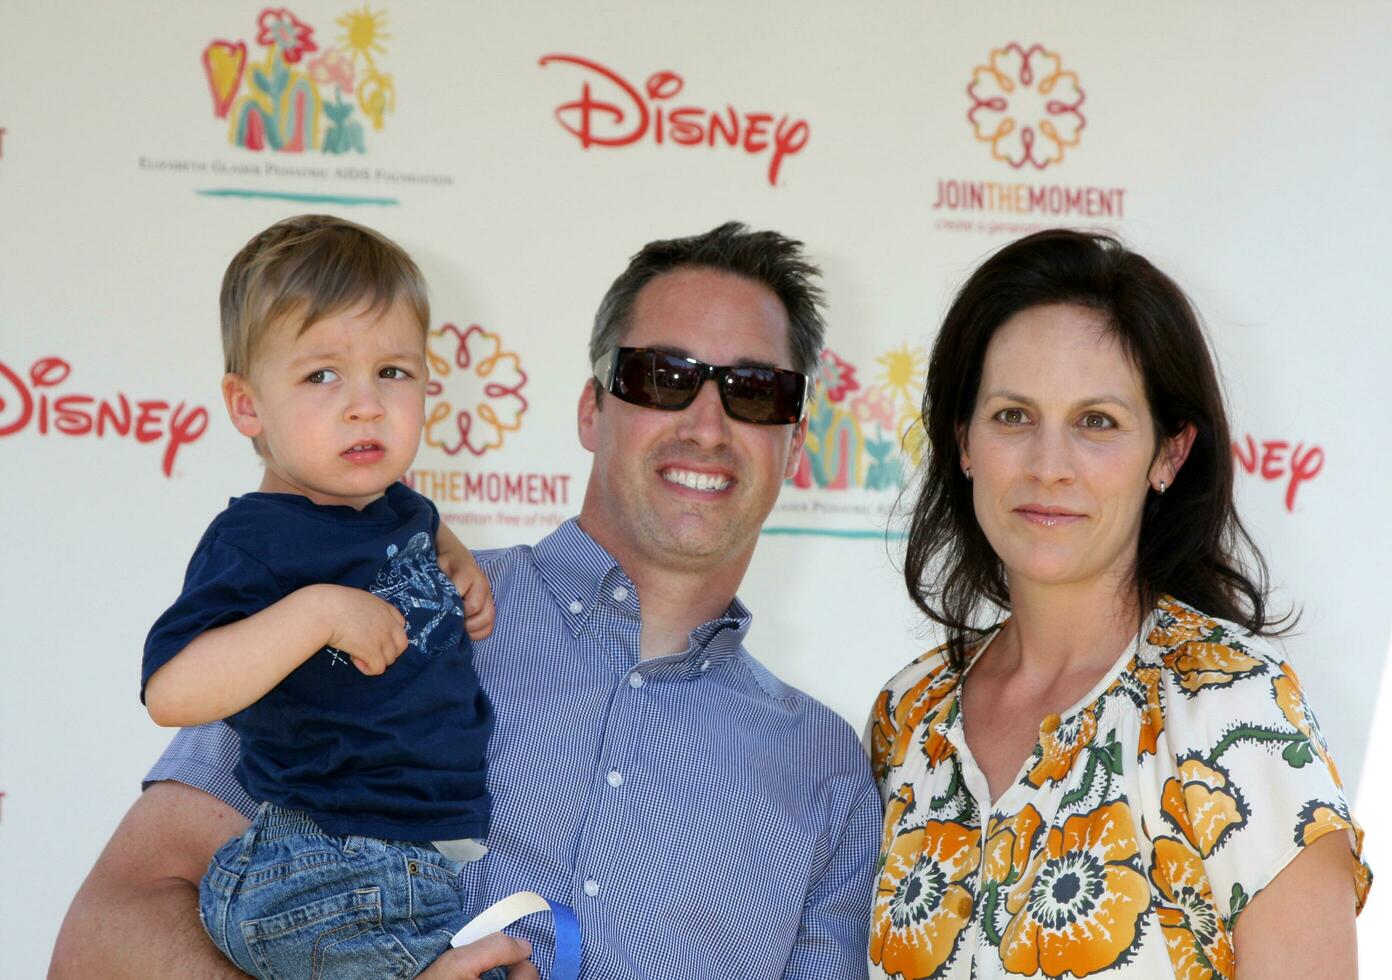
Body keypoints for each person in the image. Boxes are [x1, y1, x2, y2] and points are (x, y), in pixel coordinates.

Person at [51, 221, 882, 979]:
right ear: (593, 409)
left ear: (796, 443)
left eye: (755, 390)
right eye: (663, 377)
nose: (707, 422)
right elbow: (104, 938)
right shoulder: (377, 596)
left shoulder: (829, 772)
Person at [867, 230, 1370, 979]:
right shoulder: (907, 717)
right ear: (963, 439)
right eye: (1013, 415)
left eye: (1096, 422)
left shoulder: (1232, 711)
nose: (1049, 465)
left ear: (1168, 454)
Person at [132, 214, 541, 980]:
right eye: (322, 375)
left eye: (393, 372)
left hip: (401, 860)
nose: (365, 404)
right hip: (319, 864)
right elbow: (172, 688)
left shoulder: (398, 510)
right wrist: (315, 613)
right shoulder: (258, 540)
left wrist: (456, 562)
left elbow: (419, 526)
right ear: (248, 406)